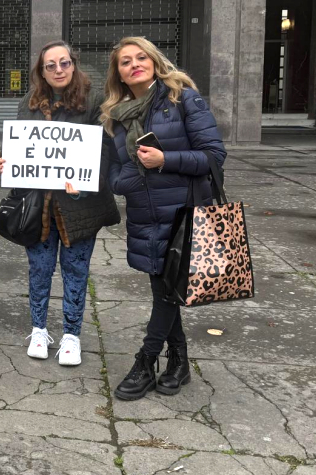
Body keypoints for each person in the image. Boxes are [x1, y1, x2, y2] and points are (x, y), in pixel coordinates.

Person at [101, 36, 226, 400]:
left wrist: (165, 160)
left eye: (141, 57)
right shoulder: (116, 115)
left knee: (167, 292)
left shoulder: (183, 99)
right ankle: (179, 362)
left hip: (183, 213)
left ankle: (146, 360)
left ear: (154, 62)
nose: (134, 64)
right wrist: (121, 182)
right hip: (145, 214)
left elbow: (214, 156)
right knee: (164, 289)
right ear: (119, 74)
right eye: (126, 61)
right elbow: (115, 165)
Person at [0, 41, 120, 365]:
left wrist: (86, 184)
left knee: (76, 271)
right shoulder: (28, 102)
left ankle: (71, 336)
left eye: (64, 63)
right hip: (38, 208)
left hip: (80, 208)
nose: (58, 70)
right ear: (42, 71)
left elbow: (104, 151)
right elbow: (21, 148)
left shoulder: (94, 101)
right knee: (39, 270)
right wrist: (9, 163)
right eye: (50, 65)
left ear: (73, 64)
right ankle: (39, 330)